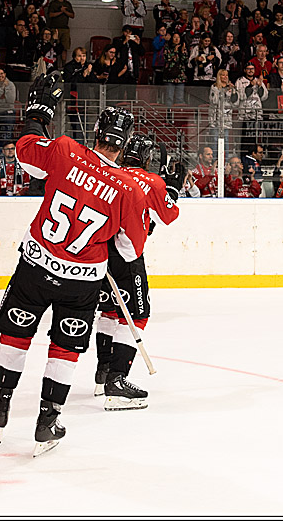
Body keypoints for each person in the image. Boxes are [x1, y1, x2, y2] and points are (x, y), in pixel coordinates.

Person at [0, 74, 157, 457]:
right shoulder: (130, 189)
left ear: (95, 133)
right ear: (123, 146)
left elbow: (25, 151)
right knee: (65, 347)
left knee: (16, 334)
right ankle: (48, 421)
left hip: (36, 265)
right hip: (82, 282)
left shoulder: (64, 150)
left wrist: (38, 114)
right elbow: (128, 251)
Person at [93, 133, 182, 410]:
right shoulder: (151, 181)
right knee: (137, 315)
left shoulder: (109, 172)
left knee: (109, 311)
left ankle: (103, 371)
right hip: (127, 258)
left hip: (99, 254)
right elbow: (169, 215)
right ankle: (117, 381)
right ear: (147, 159)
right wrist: (173, 188)